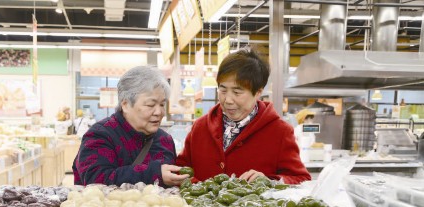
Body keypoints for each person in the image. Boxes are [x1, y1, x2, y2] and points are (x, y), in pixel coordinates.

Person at [177, 47, 311, 184]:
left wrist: (269, 182)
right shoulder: (201, 127)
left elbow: (301, 179)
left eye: (237, 92)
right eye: (222, 90)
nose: (228, 100)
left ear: (258, 93)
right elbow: (181, 169)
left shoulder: (280, 132)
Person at [72, 66, 189, 187]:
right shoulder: (100, 135)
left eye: (162, 104)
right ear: (126, 105)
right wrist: (153, 174)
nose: (159, 112)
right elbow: (95, 180)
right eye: (150, 105)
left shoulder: (165, 140)